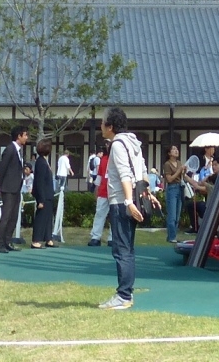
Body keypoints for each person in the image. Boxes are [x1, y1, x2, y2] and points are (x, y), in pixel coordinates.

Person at [99, 108, 145, 311]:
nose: (101, 126)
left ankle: (123, 295)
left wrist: (128, 201)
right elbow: (142, 171)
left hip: (122, 202)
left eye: (103, 123)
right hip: (133, 198)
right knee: (127, 249)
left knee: (122, 250)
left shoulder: (117, 144)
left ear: (110, 126)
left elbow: (125, 174)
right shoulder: (134, 143)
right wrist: (145, 194)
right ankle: (126, 293)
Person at [0, 127, 30, 254]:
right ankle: (0, 244)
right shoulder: (10, 149)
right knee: (6, 216)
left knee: (14, 216)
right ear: (19, 136)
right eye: (25, 135)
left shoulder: (19, 151)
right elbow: (2, 168)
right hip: (8, 188)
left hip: (16, 187)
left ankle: (8, 241)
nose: (27, 137)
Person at [30, 142, 57, 249]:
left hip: (48, 194)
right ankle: (35, 240)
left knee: (48, 218)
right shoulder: (40, 162)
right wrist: (40, 199)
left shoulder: (44, 161)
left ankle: (48, 238)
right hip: (44, 195)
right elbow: (39, 182)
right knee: (41, 218)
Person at [159, 145, 187, 244]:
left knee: (178, 214)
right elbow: (169, 179)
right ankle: (172, 237)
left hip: (180, 187)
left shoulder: (179, 163)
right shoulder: (167, 164)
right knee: (172, 215)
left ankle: (172, 236)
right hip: (172, 188)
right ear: (169, 153)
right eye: (173, 149)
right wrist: (179, 171)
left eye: (177, 149)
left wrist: (184, 172)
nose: (176, 151)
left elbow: (182, 177)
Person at [89, 143, 112, 247]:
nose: (107, 145)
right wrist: (96, 189)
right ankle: (95, 237)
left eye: (109, 143)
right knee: (99, 214)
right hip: (103, 191)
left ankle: (113, 238)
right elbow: (99, 176)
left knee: (115, 216)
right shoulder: (103, 159)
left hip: (116, 192)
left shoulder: (120, 158)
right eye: (106, 143)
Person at [51, 146, 73, 245]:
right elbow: (68, 167)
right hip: (64, 174)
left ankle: (58, 194)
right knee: (63, 187)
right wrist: (71, 172)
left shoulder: (60, 158)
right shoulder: (66, 159)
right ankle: (62, 196)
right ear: (67, 154)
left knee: (59, 186)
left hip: (58, 173)